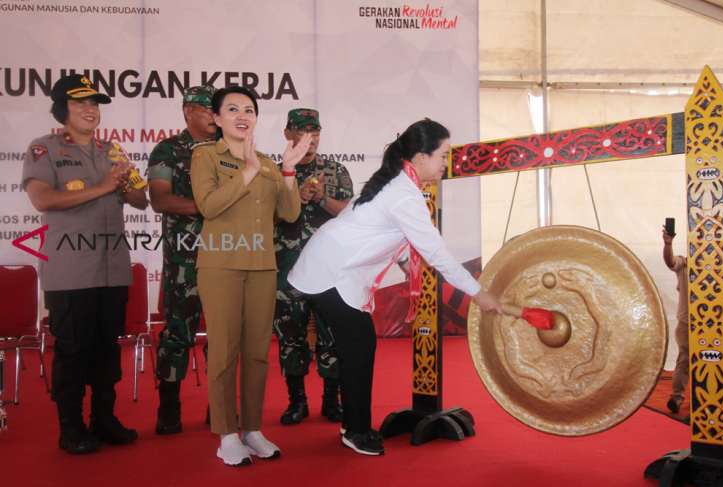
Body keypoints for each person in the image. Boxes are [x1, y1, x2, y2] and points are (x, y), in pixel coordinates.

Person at [288, 119, 502, 456]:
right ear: (421, 156)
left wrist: (404, 264)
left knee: (357, 346)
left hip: (331, 264)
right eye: (443, 155)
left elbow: (385, 229)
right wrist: (479, 294)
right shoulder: (405, 194)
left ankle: (352, 424)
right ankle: (355, 430)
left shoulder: (396, 181)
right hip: (329, 270)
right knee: (359, 346)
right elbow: (438, 254)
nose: (447, 162)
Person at [21, 74, 148, 455]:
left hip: (112, 268)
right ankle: (71, 427)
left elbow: (141, 200)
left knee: (108, 349)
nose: (91, 110)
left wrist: (126, 185)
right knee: (73, 351)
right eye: (81, 104)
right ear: (63, 110)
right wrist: (106, 187)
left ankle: (104, 419)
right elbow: (42, 199)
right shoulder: (44, 149)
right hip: (71, 270)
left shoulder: (114, 152)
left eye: (95, 104)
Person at [191, 86, 311, 466]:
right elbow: (208, 206)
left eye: (249, 109)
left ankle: (253, 429)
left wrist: (289, 170)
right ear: (217, 118)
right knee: (224, 353)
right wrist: (246, 172)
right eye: (232, 109)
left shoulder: (268, 163)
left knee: (258, 355)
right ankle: (226, 434)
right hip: (220, 265)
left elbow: (290, 214)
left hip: (262, 266)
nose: (242, 115)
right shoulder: (207, 156)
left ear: (256, 119)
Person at [274, 108, 353, 425]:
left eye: (315, 132)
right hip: (287, 270)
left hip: (329, 271)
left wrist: (321, 197)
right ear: (288, 134)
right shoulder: (273, 172)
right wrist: (295, 199)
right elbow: (266, 218)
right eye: (303, 132)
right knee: (290, 336)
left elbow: (350, 215)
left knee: (330, 336)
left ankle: (331, 401)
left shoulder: (334, 170)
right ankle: (296, 401)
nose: (310, 139)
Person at [147, 86, 216, 435]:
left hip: (227, 256)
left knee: (222, 336)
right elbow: (160, 200)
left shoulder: (228, 149)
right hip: (185, 259)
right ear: (189, 111)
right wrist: (209, 206)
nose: (216, 117)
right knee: (178, 333)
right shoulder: (168, 150)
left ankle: (217, 408)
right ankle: (169, 409)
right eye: (208, 110)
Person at [663, 225, 689, 415]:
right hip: (688, 322)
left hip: (717, 323)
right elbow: (669, 260)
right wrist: (668, 243)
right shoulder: (685, 263)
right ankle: (676, 397)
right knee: (685, 359)